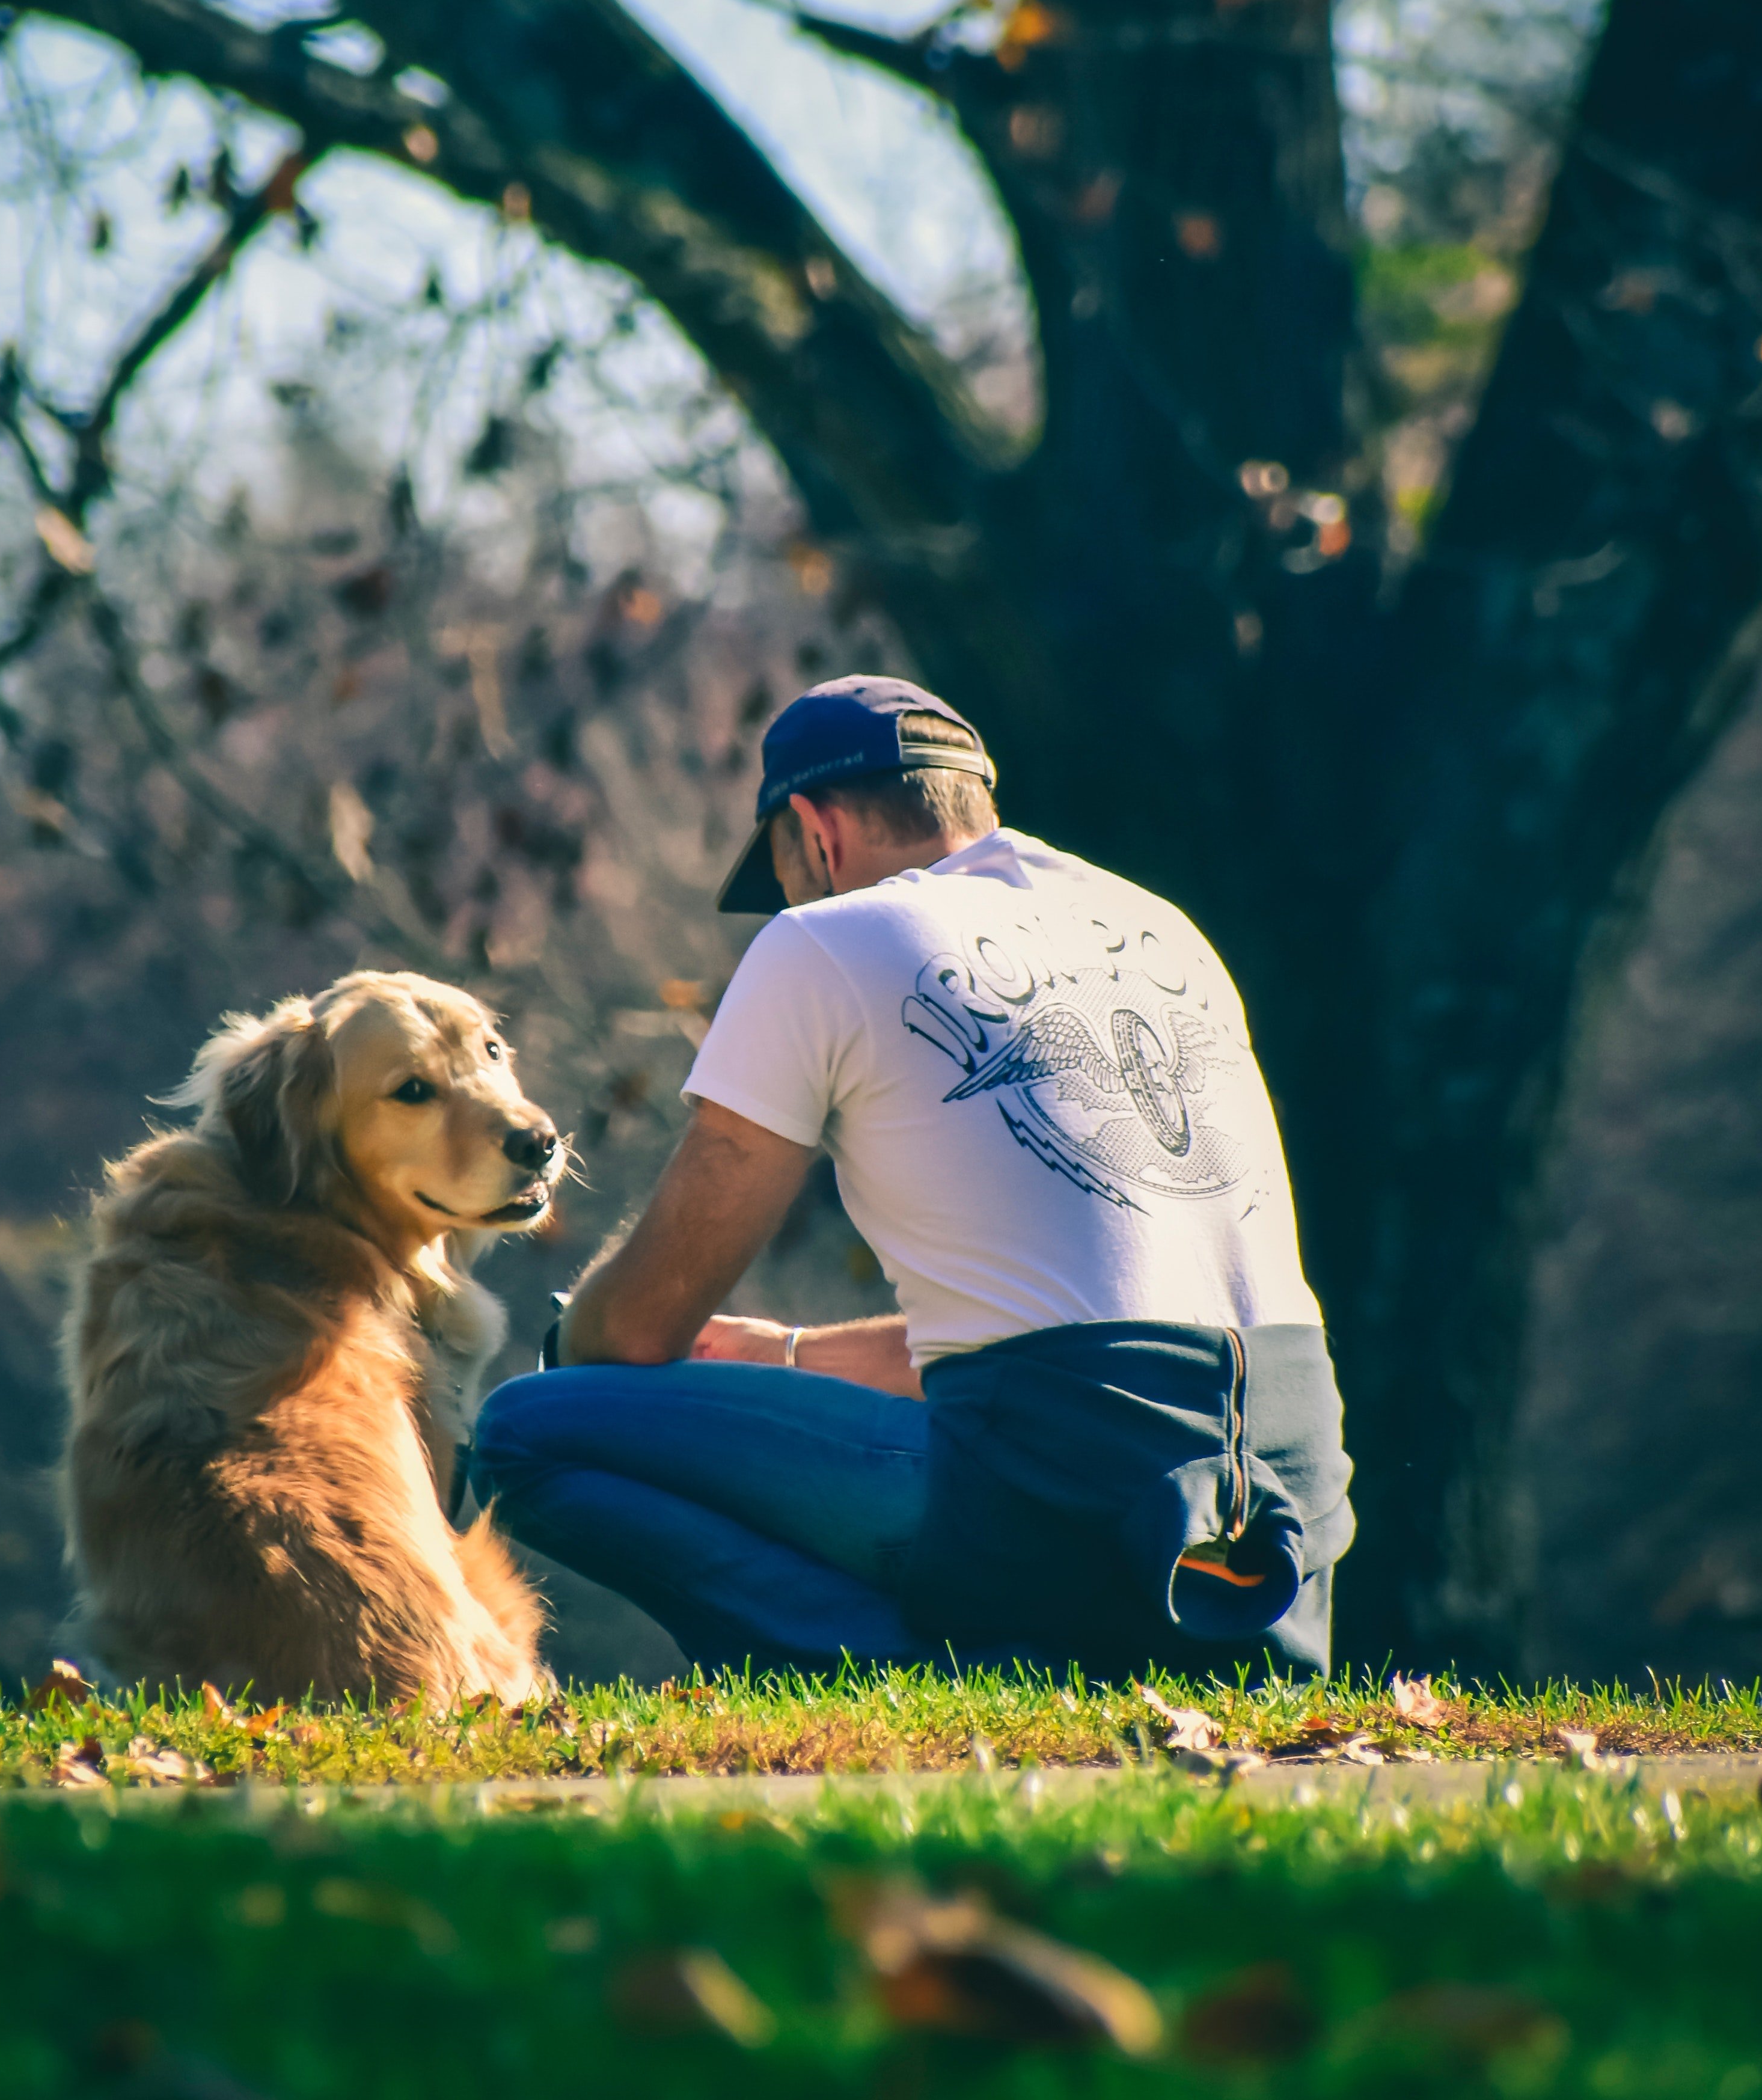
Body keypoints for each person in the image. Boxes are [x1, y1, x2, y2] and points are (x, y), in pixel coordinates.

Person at [468, 674, 1353, 1680]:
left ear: (815, 833)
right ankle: (1075, 1651)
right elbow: (1080, 1336)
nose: (793, 900)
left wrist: (567, 1341)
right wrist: (788, 1356)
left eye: (787, 874)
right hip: (1278, 1517)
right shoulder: (1167, 931)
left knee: (531, 1432)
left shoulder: (823, 940)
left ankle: (926, 1674)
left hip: (1054, 1496)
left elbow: (633, 1331)